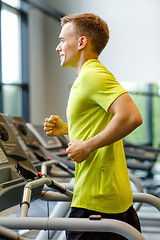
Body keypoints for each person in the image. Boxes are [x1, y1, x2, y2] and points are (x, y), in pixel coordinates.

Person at [44, 13, 143, 240]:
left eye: (61, 40)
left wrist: (87, 146)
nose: (58, 47)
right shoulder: (88, 77)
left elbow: (131, 116)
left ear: (81, 42)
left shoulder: (92, 75)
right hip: (108, 196)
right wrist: (67, 128)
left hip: (97, 201)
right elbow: (103, 122)